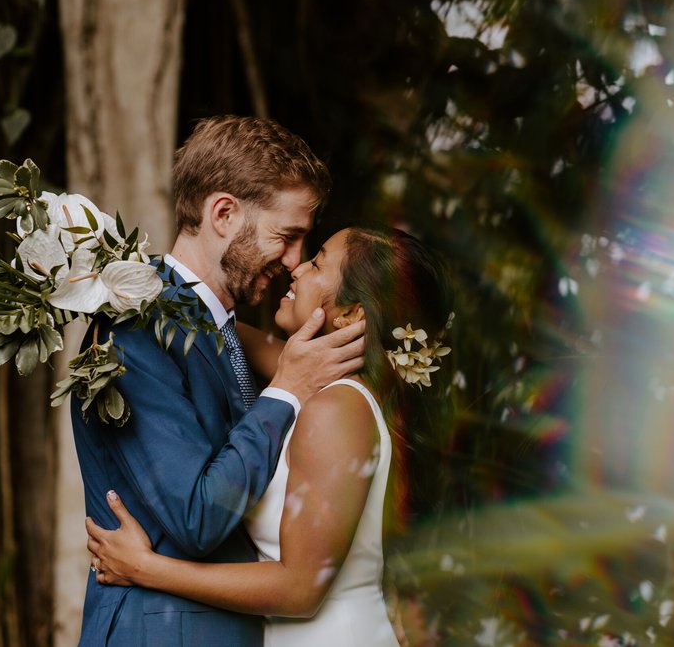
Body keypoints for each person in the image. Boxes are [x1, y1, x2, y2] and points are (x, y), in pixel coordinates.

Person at [70, 116, 367, 646]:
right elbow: (197, 517)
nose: (295, 260)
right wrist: (287, 391)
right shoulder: (133, 326)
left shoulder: (223, 333)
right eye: (287, 236)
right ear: (223, 213)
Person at [86, 227, 455, 647]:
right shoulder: (325, 383)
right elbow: (219, 329)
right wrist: (120, 286)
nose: (296, 268)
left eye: (317, 263)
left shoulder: (335, 411)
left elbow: (300, 591)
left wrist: (144, 568)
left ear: (352, 316)